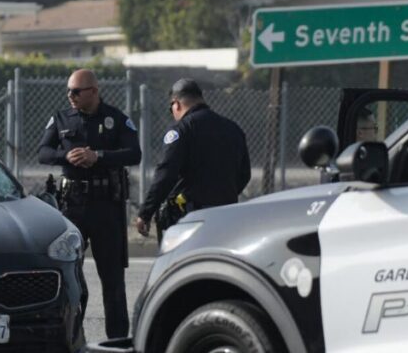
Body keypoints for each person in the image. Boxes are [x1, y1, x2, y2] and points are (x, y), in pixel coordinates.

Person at [38, 69, 141, 339]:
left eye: (76, 91)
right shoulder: (61, 118)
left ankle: (117, 343)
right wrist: (66, 156)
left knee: (113, 280)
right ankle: (70, 339)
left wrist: (99, 156)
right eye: (68, 91)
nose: (70, 96)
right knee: (69, 276)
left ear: (93, 91)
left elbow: (134, 153)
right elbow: (43, 152)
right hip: (73, 206)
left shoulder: (116, 119)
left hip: (106, 207)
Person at [135, 78, 250, 240]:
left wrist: (145, 212)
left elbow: (166, 174)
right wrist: (221, 195)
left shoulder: (182, 130)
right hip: (225, 216)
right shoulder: (233, 129)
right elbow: (244, 174)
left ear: (176, 104)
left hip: (190, 219)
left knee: (185, 257)